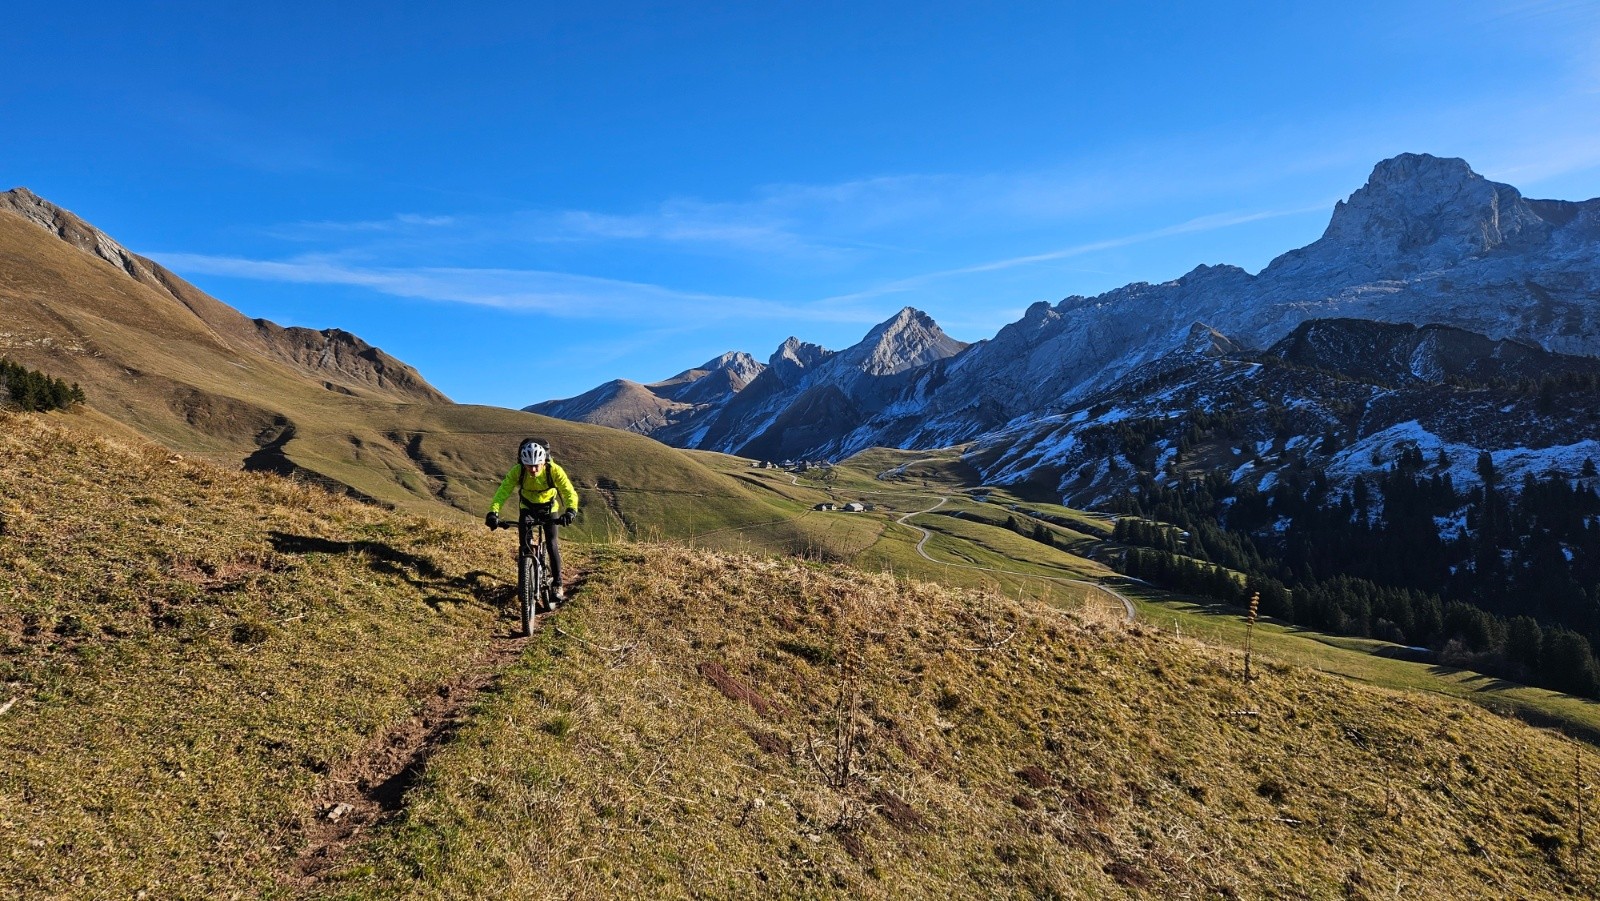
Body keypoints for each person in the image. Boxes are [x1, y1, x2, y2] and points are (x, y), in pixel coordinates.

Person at [486, 438, 580, 602]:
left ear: (544, 461)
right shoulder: (518, 471)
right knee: (525, 546)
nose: (533, 469)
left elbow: (568, 491)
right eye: (529, 465)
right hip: (527, 509)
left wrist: (571, 511)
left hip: (549, 509)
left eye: (537, 465)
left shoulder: (554, 470)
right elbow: (503, 491)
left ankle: (557, 584)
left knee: (551, 543)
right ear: (523, 463)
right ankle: (525, 581)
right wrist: (493, 512)